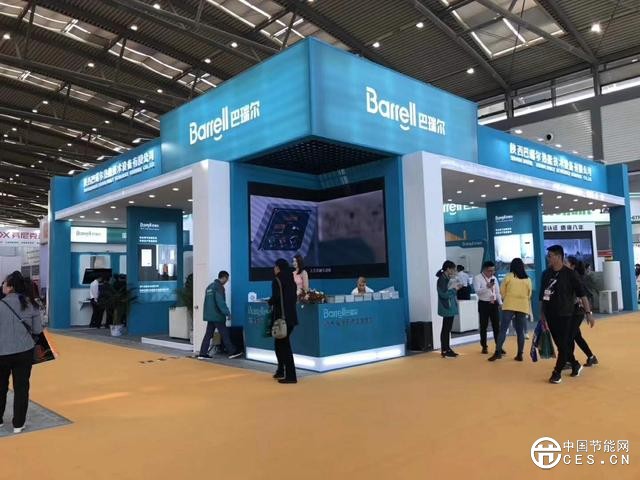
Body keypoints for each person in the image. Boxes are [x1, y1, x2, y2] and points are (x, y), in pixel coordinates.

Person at [541, 245, 594, 384]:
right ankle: (575, 364)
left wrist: (588, 313)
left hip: (566, 314)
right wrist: (542, 314)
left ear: (559, 257)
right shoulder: (546, 274)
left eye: (550, 256)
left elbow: (582, 294)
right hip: (550, 315)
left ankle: (556, 372)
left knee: (564, 344)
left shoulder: (570, 274)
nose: (548, 258)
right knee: (560, 345)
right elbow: (543, 296)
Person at [0, 271, 43, 434]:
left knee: (0, 387)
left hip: (1, 353)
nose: (2, 286)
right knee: (21, 388)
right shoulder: (31, 304)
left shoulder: (1, 304)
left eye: (4, 283)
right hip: (24, 352)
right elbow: (38, 330)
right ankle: (18, 424)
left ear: (10, 287)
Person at [489, 258, 531, 362]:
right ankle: (520, 354)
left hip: (509, 304)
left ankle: (498, 352)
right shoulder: (527, 279)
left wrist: (506, 298)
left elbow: (502, 291)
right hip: (522, 306)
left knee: (503, 329)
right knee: (520, 331)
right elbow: (529, 293)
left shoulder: (508, 276)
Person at [197, 271, 243, 360]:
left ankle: (202, 353)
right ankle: (232, 352)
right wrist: (227, 313)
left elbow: (207, 302)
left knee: (208, 335)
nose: (227, 281)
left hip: (210, 315)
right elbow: (220, 302)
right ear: (224, 278)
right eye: (227, 279)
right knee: (224, 334)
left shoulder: (209, 287)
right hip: (217, 315)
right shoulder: (219, 287)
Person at [269, 258, 298, 383]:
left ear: (277, 267)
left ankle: (291, 375)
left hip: (281, 318)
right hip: (291, 317)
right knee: (280, 344)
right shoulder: (292, 281)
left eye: (275, 267)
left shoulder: (277, 280)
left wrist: (269, 301)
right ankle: (281, 370)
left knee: (284, 346)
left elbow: (276, 298)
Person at [566, 256, 598, 367]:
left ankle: (570, 361)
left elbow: (581, 296)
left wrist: (589, 313)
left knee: (570, 336)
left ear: (572, 266)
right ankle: (591, 357)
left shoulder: (575, 277)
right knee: (576, 336)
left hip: (578, 311)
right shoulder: (569, 276)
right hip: (572, 311)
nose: (563, 264)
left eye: (566, 262)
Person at [473, 261, 503, 354]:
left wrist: (500, 303)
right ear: (484, 270)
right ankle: (484, 346)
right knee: (483, 326)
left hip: (494, 304)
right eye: (490, 271)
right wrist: (487, 287)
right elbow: (477, 291)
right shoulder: (477, 278)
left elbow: (497, 292)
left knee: (496, 326)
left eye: (493, 270)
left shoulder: (494, 278)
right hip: (483, 304)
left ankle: (499, 347)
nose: (492, 272)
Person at [437, 260, 460, 358]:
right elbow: (443, 294)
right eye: (453, 269)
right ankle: (445, 349)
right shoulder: (442, 280)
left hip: (449, 306)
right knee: (446, 329)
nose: (454, 271)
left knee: (447, 328)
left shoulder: (447, 279)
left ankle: (447, 348)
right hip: (446, 306)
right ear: (448, 269)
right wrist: (455, 290)